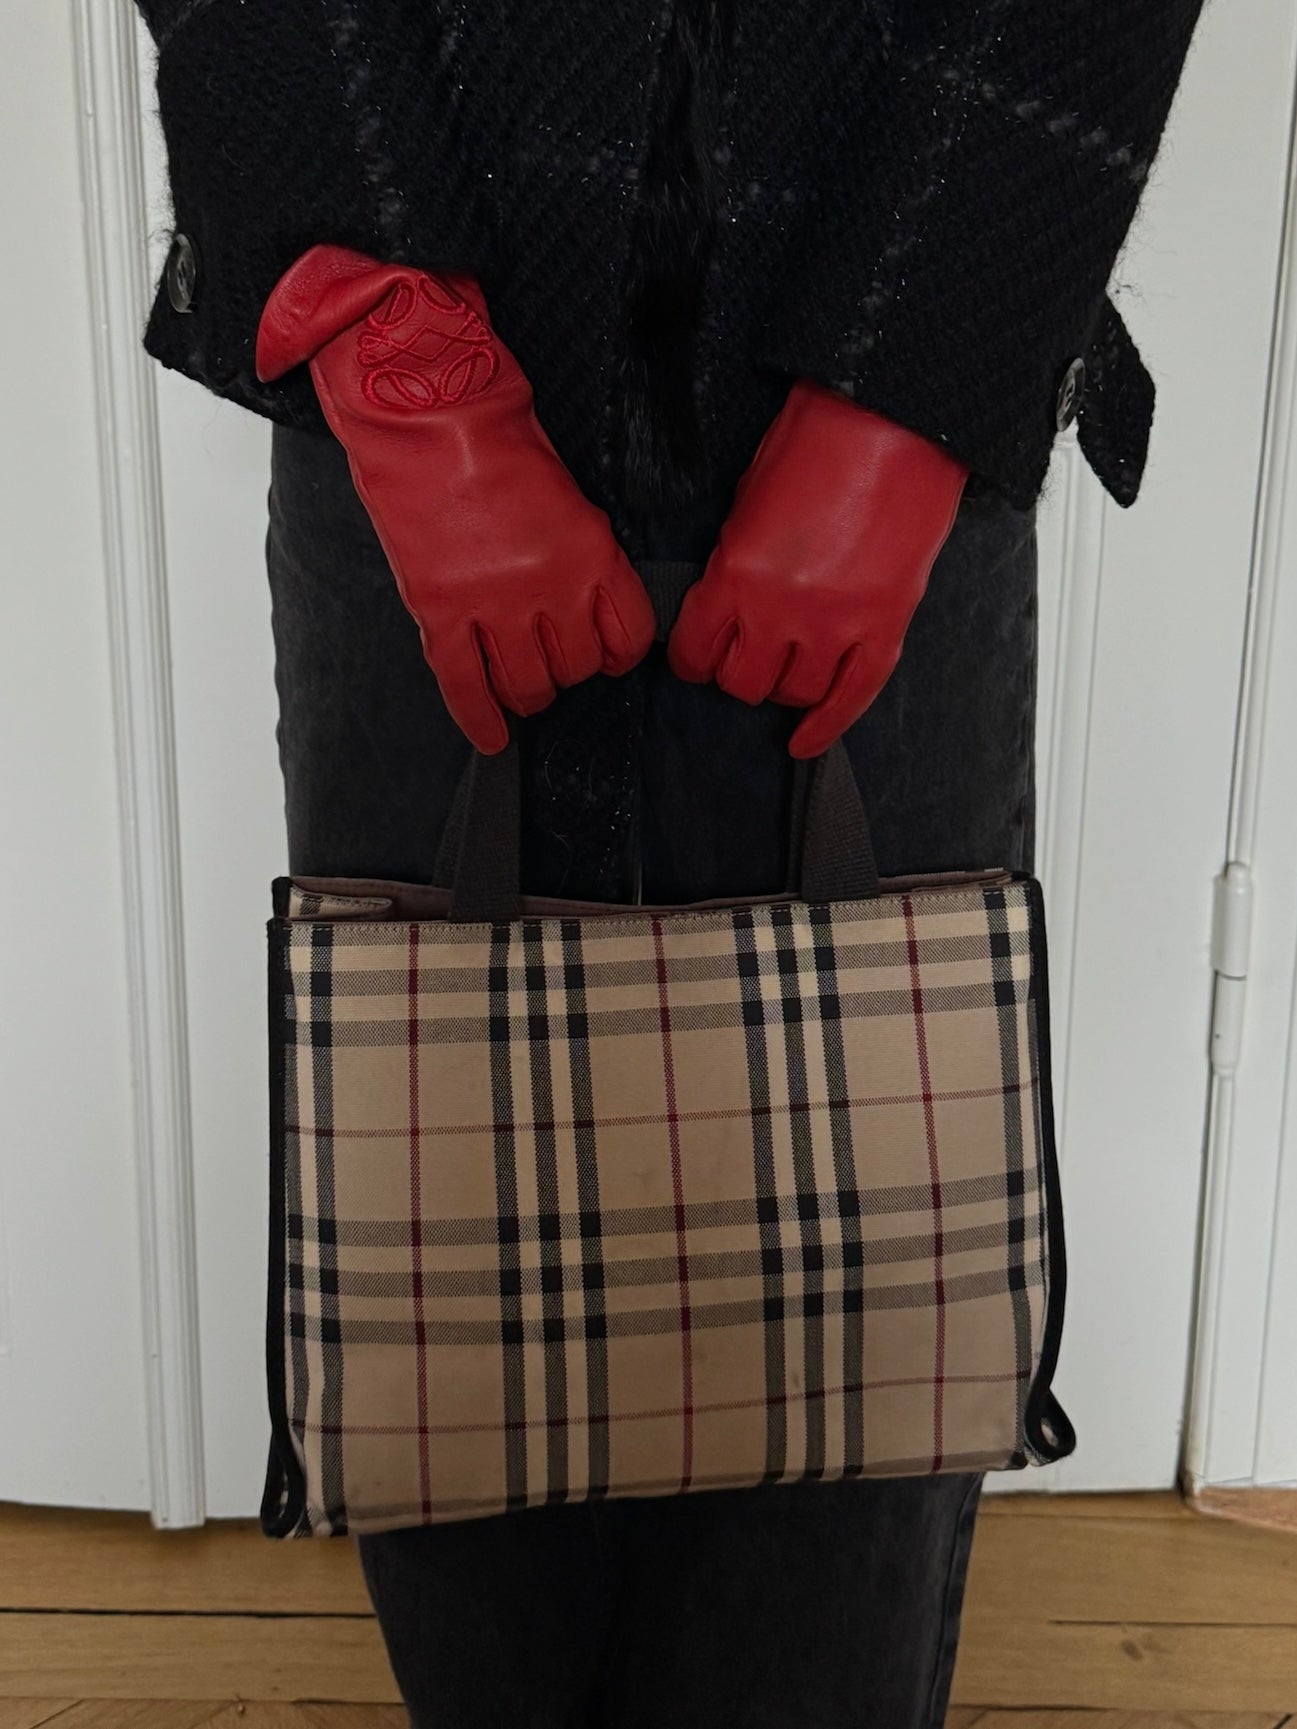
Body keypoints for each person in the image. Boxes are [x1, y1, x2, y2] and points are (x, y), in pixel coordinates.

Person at [132, 4, 1206, 1726]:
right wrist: (395, 343)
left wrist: (916, 369)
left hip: (900, 343)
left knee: (848, 1461)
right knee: (460, 1403)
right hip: (410, 315)